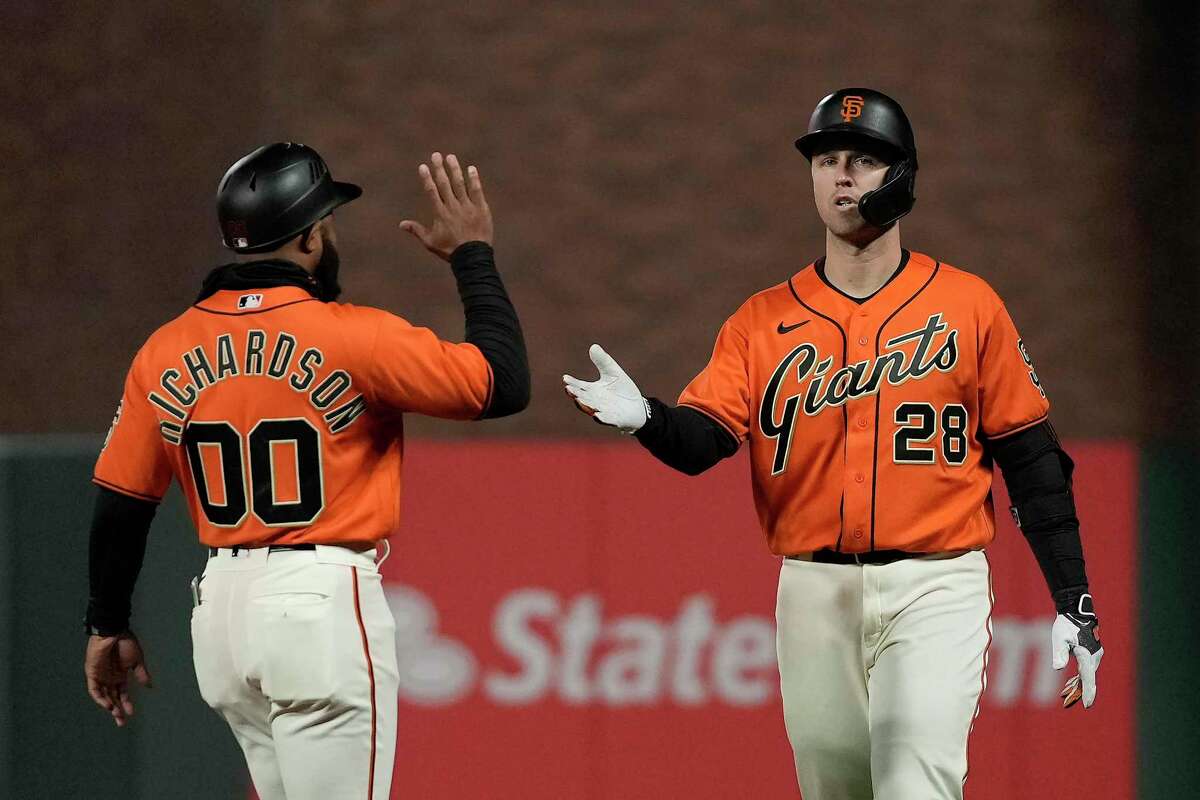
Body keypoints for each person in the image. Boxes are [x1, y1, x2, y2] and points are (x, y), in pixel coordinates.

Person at [562, 88, 1102, 800]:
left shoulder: (969, 307)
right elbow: (703, 442)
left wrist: (1074, 598)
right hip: (813, 588)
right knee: (836, 790)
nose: (841, 175)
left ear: (901, 178)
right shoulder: (762, 320)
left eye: (863, 160)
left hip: (936, 583)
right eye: (827, 159)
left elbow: (1033, 462)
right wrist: (647, 420)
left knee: (915, 777)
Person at [83, 143, 528, 800]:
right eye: (329, 223)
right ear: (313, 236)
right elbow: (504, 384)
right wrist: (473, 256)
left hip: (223, 621)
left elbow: (121, 504)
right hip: (317, 602)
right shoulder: (352, 336)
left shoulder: (166, 348)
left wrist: (106, 624)